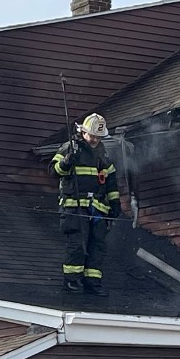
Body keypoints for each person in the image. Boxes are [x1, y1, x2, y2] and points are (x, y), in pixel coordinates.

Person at [52, 112, 118, 295]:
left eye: (99, 137)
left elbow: (111, 181)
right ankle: (72, 281)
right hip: (75, 207)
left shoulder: (103, 154)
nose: (95, 139)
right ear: (83, 132)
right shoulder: (70, 149)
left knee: (97, 246)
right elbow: (54, 171)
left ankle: (92, 282)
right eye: (93, 136)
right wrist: (66, 163)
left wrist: (115, 203)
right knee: (77, 244)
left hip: (97, 209)